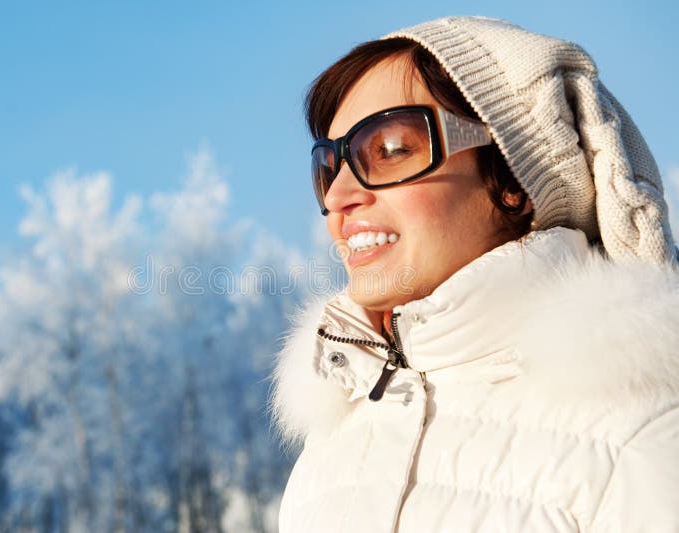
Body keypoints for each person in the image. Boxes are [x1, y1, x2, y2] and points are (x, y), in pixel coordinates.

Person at [270, 16, 679, 532]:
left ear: (513, 177)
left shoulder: (643, 442)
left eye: (391, 149)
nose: (337, 198)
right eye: (329, 166)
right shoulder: (328, 458)